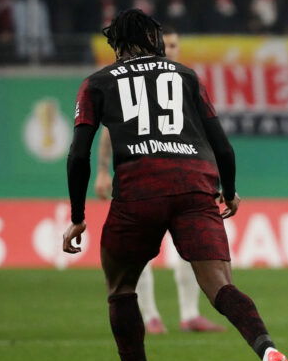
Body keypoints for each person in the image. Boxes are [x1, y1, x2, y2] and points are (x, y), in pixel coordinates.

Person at [63, 9, 288, 361]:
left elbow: (77, 154)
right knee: (221, 285)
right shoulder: (186, 76)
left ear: (118, 43)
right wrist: (228, 189)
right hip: (194, 186)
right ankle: (269, 351)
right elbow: (222, 145)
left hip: (138, 190)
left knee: (121, 288)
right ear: (151, 39)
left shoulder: (97, 82)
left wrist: (78, 214)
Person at [94, 25, 225, 334]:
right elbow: (110, 129)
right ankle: (150, 315)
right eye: (168, 44)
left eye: (176, 44)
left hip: (184, 180)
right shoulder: (133, 80)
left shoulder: (184, 80)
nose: (172, 49)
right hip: (143, 181)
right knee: (139, 251)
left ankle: (190, 314)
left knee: (191, 249)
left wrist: (213, 180)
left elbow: (202, 135)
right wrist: (102, 170)